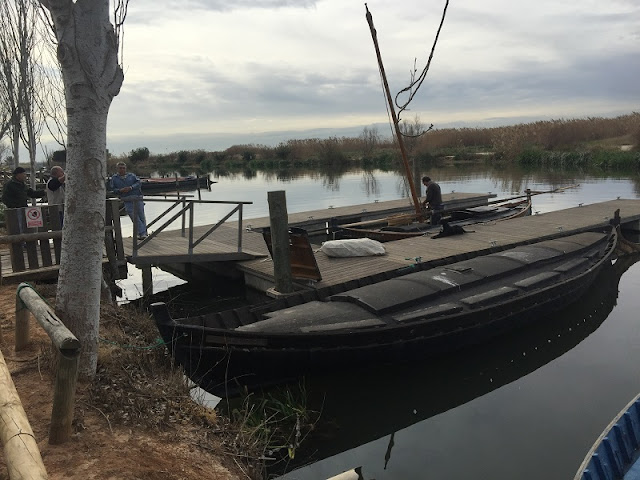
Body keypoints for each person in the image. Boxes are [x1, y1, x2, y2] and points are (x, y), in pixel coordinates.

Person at [1, 166, 47, 234]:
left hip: (24, 208)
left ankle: (26, 242)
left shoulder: (23, 184)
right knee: (18, 227)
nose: (25, 176)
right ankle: (19, 243)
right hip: (14, 210)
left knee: (25, 226)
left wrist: (43, 192)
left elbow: (31, 193)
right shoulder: (9, 185)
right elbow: (4, 198)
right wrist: (13, 206)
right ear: (18, 175)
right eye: (24, 174)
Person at [110, 162, 148, 239]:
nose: (122, 170)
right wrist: (120, 190)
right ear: (117, 169)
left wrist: (131, 187)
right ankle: (142, 232)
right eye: (120, 168)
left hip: (137, 197)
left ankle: (142, 233)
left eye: (123, 168)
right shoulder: (114, 178)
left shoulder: (132, 176)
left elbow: (139, 183)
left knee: (141, 216)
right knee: (133, 215)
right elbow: (112, 189)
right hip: (126, 198)